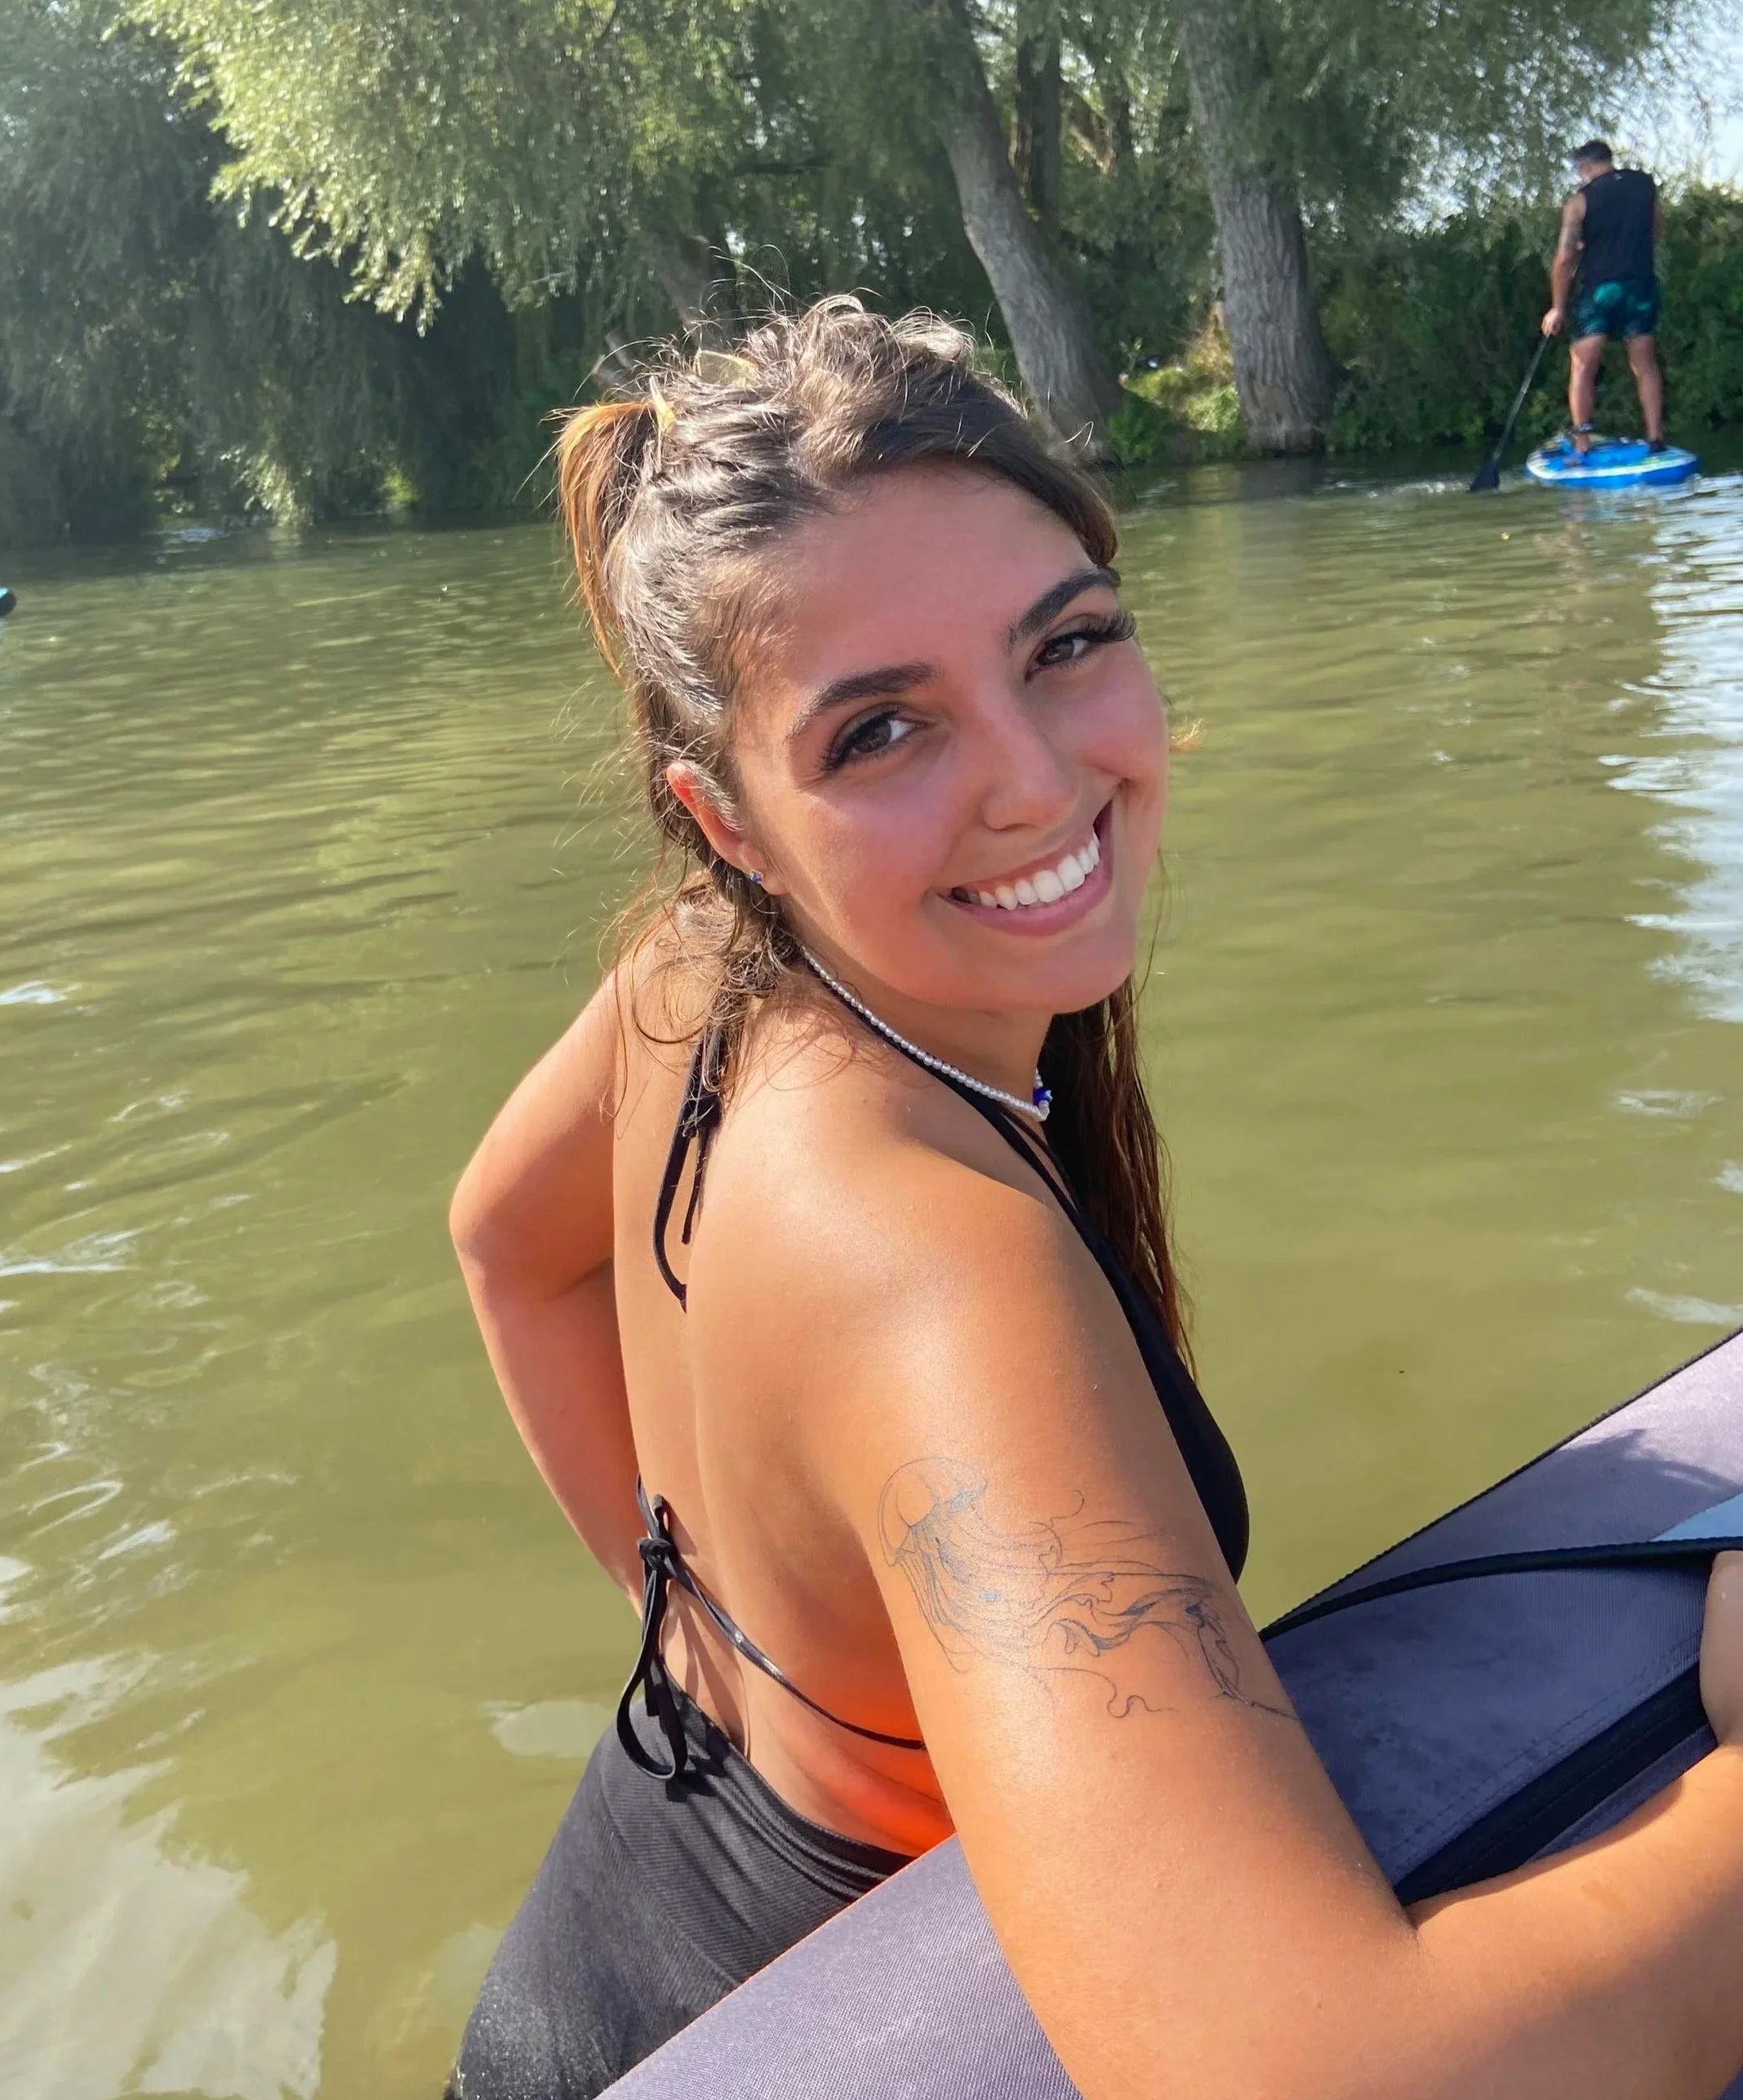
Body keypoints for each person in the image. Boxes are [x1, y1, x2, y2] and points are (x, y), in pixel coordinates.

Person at [447, 299, 1743, 2100]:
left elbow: (503, 1248)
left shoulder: (694, 967)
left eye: (1064, 643)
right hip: (789, 2030)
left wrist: (735, 1638)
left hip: (607, 1921)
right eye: (881, 730)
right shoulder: (923, 1257)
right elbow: (1346, 2078)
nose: (1037, 777)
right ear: (725, 816)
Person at [1541, 138, 1665, 456]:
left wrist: (1557, 308)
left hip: (1600, 291)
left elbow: (1564, 258)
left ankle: (1582, 444)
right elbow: (1655, 232)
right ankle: (1655, 437)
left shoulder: (1579, 201)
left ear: (1585, 167)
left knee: (1583, 364)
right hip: (1641, 285)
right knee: (1644, 362)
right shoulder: (1645, 185)